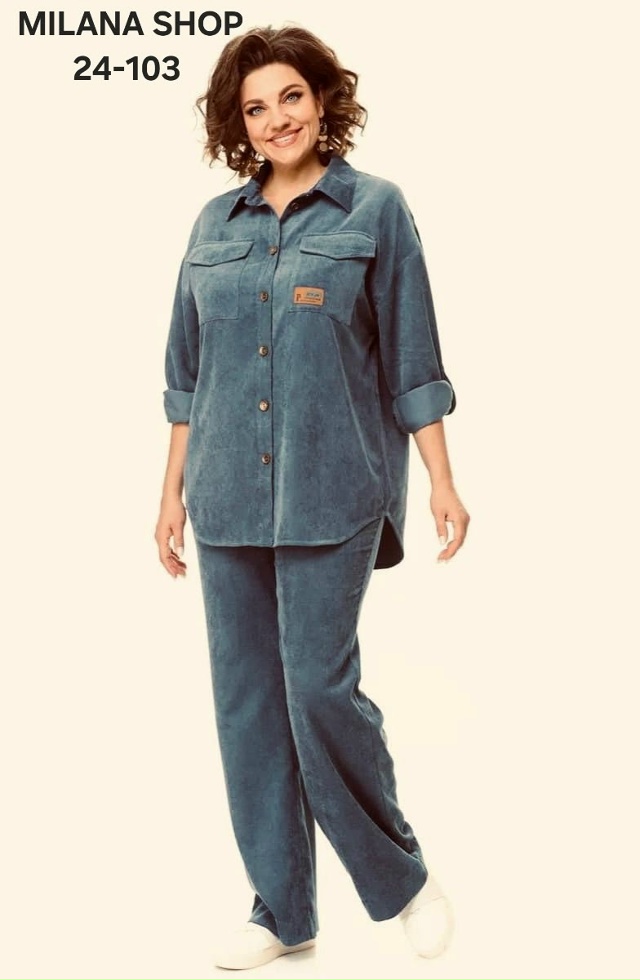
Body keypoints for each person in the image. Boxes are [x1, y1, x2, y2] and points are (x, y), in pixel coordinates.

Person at [154, 24, 470, 971]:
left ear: (323, 98)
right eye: (255, 107)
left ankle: (402, 881)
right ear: (237, 124)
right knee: (248, 703)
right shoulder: (214, 226)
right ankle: (282, 908)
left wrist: (442, 478)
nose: (276, 119)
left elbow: (412, 358)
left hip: (335, 490)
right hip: (224, 495)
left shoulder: (376, 210)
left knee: (318, 692)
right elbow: (186, 376)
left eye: (290, 96)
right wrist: (168, 495)